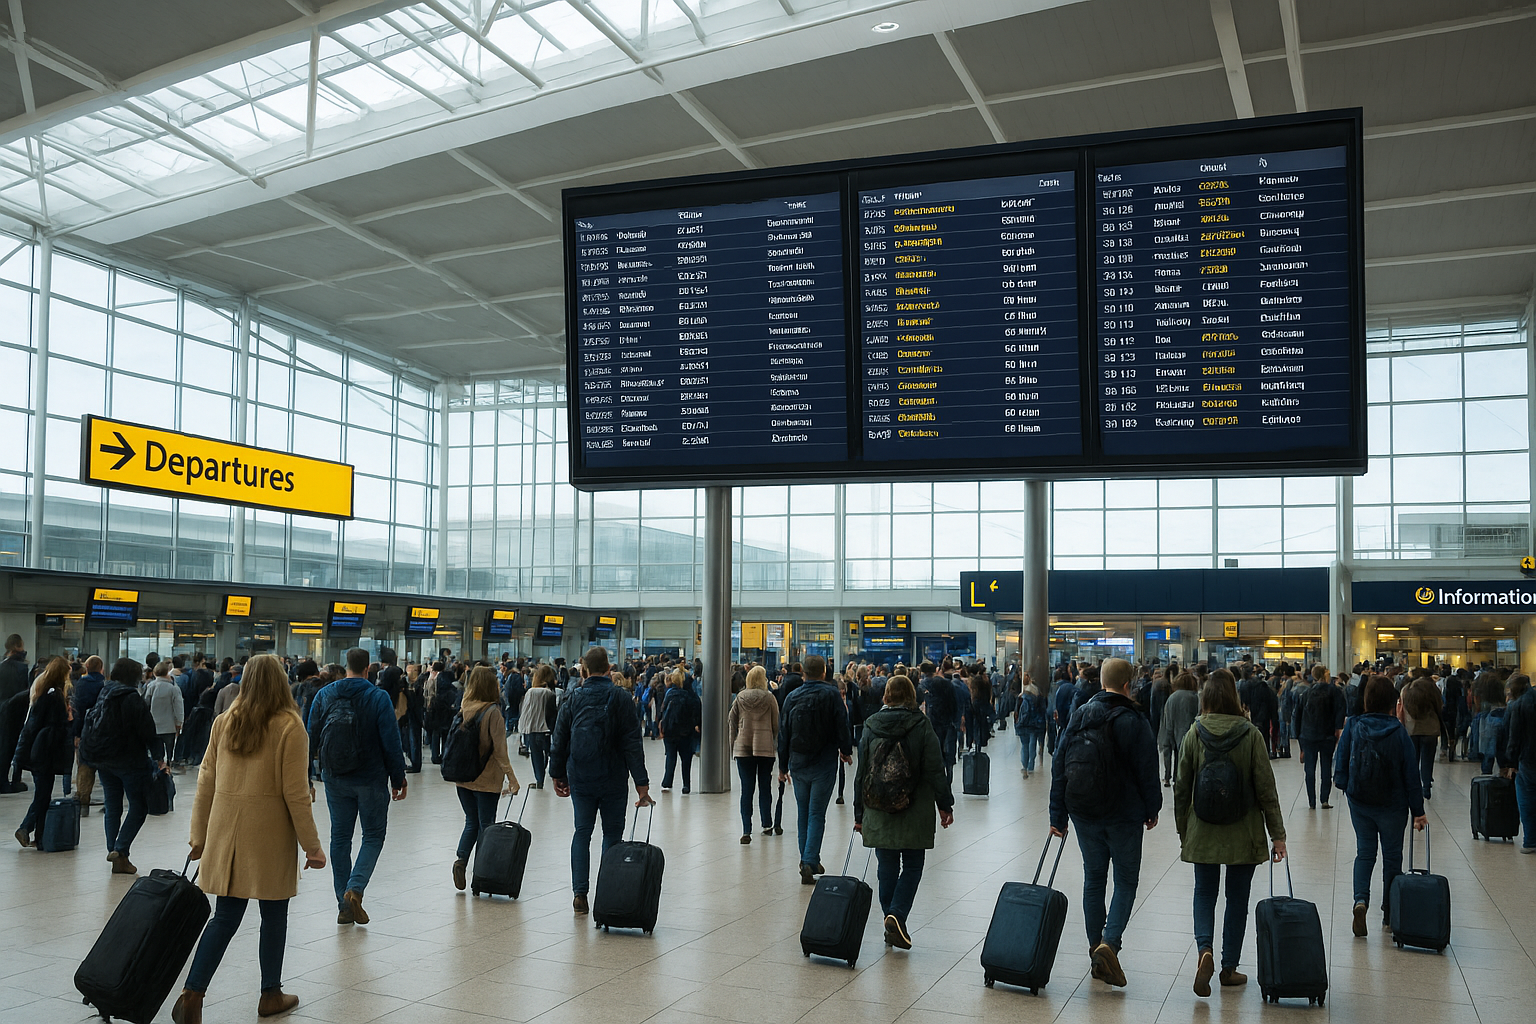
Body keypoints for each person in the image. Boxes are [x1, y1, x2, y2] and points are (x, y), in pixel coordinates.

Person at [170, 655, 324, 1024]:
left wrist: (199, 836)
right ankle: (270, 994)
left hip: (227, 832)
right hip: (268, 834)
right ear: (281, 682)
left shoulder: (225, 722)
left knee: (225, 917)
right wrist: (312, 846)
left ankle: (193, 993)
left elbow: (205, 781)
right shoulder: (290, 727)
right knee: (274, 915)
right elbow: (295, 793)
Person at [1048, 657, 1161, 988]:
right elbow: (1147, 769)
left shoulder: (1080, 714)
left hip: (1084, 811)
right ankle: (1109, 945)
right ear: (1129, 685)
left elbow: (1059, 763)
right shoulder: (1133, 720)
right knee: (1126, 881)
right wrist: (1152, 808)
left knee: (1094, 878)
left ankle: (1094, 945)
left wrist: (1058, 814)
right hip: (1123, 815)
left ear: (1101, 682)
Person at [1174, 670, 1287, 997]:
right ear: (1234, 697)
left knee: (1204, 892)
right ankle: (1228, 967)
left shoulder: (1194, 733)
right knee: (1237, 899)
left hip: (1203, 830)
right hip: (1244, 832)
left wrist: (1186, 832)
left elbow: (1182, 789)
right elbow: (1267, 789)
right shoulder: (1251, 734)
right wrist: (1277, 835)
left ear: (1205, 698)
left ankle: (1204, 950)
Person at [305, 647, 407, 926]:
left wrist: (307, 776)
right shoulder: (378, 697)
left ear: (345, 666)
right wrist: (398, 778)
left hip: (334, 777)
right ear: (367, 670)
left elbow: (310, 735)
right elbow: (391, 741)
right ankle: (355, 888)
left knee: (340, 838)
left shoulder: (324, 694)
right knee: (373, 836)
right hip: (371, 777)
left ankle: (343, 905)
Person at [854, 674, 954, 950]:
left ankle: (890, 918)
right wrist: (945, 804)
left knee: (886, 864)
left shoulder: (871, 725)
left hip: (878, 806)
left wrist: (858, 813)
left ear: (885, 697)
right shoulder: (922, 725)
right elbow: (935, 769)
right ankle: (896, 914)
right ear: (914, 697)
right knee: (912, 865)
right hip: (914, 807)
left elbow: (862, 772)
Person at [549, 647, 651, 913]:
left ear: (583, 670)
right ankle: (606, 891)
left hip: (581, 776)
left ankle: (579, 894)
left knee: (582, 832)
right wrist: (641, 784)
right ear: (609, 668)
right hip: (613, 778)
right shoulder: (621, 698)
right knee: (612, 835)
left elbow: (559, 740)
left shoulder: (572, 698)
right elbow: (632, 743)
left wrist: (557, 774)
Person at [1333, 675, 1428, 937]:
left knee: (1365, 853)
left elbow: (1340, 761)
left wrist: (1345, 786)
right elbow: (1411, 774)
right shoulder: (1398, 732)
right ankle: (1388, 911)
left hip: (1360, 801)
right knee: (1391, 858)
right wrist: (1418, 810)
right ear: (1393, 702)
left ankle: (1360, 900)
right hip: (1393, 806)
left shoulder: (1353, 725)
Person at [79, 657, 161, 874]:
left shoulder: (104, 692)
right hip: (129, 761)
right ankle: (120, 849)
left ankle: (115, 854)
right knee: (139, 806)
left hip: (103, 758)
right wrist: (160, 757)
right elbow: (147, 730)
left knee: (113, 806)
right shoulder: (131, 697)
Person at [778, 655, 853, 885]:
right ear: (823, 673)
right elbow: (842, 724)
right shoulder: (831, 694)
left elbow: (784, 732)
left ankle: (807, 859)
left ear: (804, 674)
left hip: (798, 762)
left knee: (803, 811)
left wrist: (782, 766)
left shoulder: (792, 697)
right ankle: (810, 859)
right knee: (816, 812)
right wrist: (845, 750)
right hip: (824, 761)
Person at [448, 666, 520, 891]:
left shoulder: (464, 707)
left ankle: (461, 860)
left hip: (463, 777)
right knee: (486, 826)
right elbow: (499, 751)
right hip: (487, 779)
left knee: (471, 821)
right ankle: (480, 872)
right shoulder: (493, 712)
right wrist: (512, 778)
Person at [13, 657, 74, 849]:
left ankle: (39, 838)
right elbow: (59, 726)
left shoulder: (42, 693)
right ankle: (25, 827)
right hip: (46, 751)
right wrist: (68, 717)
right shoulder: (55, 696)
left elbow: (32, 726)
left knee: (43, 793)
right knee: (42, 795)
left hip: (38, 750)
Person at [728, 665, 779, 843]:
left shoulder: (740, 698)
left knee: (746, 789)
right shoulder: (770, 698)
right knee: (765, 787)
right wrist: (772, 740)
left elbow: (732, 723)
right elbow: (776, 724)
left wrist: (732, 746)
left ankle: (746, 830)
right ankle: (767, 824)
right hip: (765, 748)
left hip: (743, 748)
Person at [1293, 666, 1346, 809]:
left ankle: (1311, 801)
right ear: (1325, 675)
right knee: (1326, 768)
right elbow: (1340, 710)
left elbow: (1296, 717)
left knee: (1309, 771)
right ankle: (1324, 800)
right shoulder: (1334, 691)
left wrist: (1299, 741)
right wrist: (1337, 729)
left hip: (1308, 736)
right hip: (1327, 735)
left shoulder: (1306, 693)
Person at [1504, 673, 1536, 853]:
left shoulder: (1517, 706)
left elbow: (1513, 738)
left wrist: (1511, 762)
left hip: (1528, 759)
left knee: (1526, 799)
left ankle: (1530, 840)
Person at [1398, 668, 1443, 800]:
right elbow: (1440, 705)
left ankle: (1413, 785)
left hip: (1412, 729)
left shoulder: (1406, 689)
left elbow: (1401, 709)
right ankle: (1426, 786)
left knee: (1413, 759)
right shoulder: (1432, 688)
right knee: (1427, 759)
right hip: (1430, 729)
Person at [71, 655, 107, 811]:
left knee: (84, 766)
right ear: (101, 668)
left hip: (85, 730)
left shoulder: (80, 685)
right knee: (105, 766)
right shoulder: (104, 685)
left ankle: (83, 800)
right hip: (102, 731)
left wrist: (76, 734)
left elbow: (77, 710)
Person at [658, 669, 702, 793]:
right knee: (686, 759)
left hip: (670, 731)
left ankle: (667, 781)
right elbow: (697, 712)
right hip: (686, 732)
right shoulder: (691, 695)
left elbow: (663, 711)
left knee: (670, 756)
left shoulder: (670, 693)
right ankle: (686, 784)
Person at [1157, 672, 1199, 788]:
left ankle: (1167, 777)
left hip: (1172, 731)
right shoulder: (1195, 697)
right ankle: (1181, 777)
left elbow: (1167, 718)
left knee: (1170, 753)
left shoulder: (1172, 698)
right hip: (1189, 733)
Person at [520, 664, 557, 789]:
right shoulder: (550, 694)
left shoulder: (530, 692)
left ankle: (539, 779)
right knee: (546, 752)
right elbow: (552, 713)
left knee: (536, 755)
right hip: (545, 729)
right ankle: (546, 773)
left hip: (532, 728)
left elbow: (525, 711)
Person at [144, 660, 184, 764]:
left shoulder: (151, 686)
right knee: (169, 751)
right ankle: (168, 766)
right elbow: (178, 707)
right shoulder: (174, 688)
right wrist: (179, 723)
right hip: (169, 726)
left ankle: (158, 767)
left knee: (157, 753)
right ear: (167, 672)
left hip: (154, 725)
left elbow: (146, 705)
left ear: (154, 673)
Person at [1013, 672, 1048, 778]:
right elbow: (1043, 710)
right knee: (1032, 744)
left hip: (1024, 725)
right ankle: (1031, 765)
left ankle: (1025, 765)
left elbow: (1020, 712)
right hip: (1035, 724)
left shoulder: (1023, 697)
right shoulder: (1039, 696)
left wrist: (1019, 723)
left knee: (1024, 745)